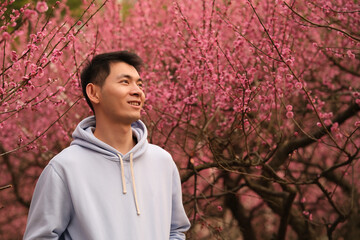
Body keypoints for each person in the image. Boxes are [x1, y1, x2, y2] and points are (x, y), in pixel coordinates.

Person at [23, 51, 191, 239]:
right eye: (125, 82)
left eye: (140, 84)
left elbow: (175, 230)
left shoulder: (162, 162)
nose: (137, 91)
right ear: (94, 93)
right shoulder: (64, 168)